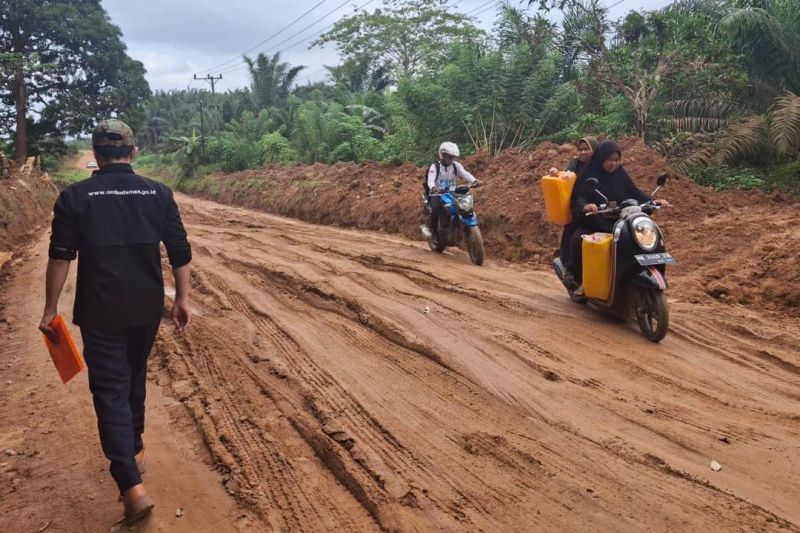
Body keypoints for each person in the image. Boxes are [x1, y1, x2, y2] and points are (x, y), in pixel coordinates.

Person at [38, 119, 192, 524]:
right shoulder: (157, 193)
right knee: (134, 374)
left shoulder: (75, 196)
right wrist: (183, 300)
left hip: (100, 309)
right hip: (145, 307)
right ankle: (135, 448)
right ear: (134, 153)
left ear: (96, 155)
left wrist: (50, 309)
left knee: (109, 389)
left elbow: (60, 257)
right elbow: (179, 251)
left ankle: (130, 484)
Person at [562, 140, 669, 290]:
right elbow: (579, 197)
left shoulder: (620, 173)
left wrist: (653, 201)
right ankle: (578, 278)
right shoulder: (588, 174)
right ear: (601, 159)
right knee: (577, 239)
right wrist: (586, 206)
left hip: (618, 220)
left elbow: (634, 192)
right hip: (594, 220)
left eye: (617, 160)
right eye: (609, 160)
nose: (613, 164)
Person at [552, 137, 598, 266]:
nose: (582, 152)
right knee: (573, 236)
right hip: (578, 206)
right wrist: (555, 172)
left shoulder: (601, 166)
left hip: (600, 208)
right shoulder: (575, 164)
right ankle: (568, 267)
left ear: (594, 150)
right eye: (580, 149)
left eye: (586, 149)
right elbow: (564, 175)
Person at [421, 142, 479, 239]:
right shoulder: (435, 166)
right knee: (436, 209)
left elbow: (465, 174)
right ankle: (432, 229)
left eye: (453, 157)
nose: (451, 159)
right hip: (437, 194)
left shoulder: (456, 165)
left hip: (452, 192)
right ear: (442, 155)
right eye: (449, 156)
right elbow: (430, 181)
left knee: (464, 204)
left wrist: (474, 180)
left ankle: (458, 226)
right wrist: (434, 188)